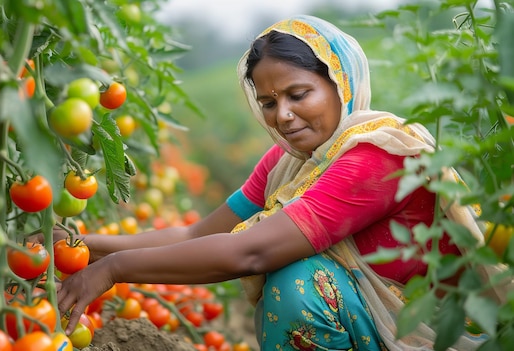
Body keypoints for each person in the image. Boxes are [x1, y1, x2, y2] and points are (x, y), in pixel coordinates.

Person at [55, 15, 495, 350]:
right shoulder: (289, 162)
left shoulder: (376, 155)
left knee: (296, 279)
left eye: (298, 95)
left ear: (340, 84)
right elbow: (198, 233)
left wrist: (113, 270)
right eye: (268, 102)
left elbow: (252, 251)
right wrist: (82, 246)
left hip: (424, 335)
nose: (281, 115)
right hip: (370, 325)